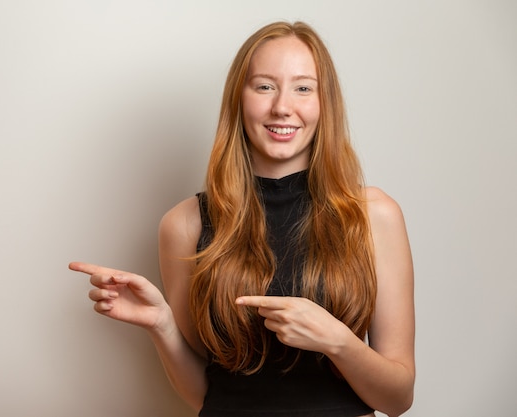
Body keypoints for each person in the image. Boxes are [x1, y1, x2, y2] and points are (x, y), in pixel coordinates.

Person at [70, 20, 415, 417]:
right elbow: (207, 394)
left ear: (325, 104)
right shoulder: (185, 225)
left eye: (303, 88)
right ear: (239, 97)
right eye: (265, 86)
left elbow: (398, 399)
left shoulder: (373, 216)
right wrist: (161, 324)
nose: (282, 106)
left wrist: (338, 341)